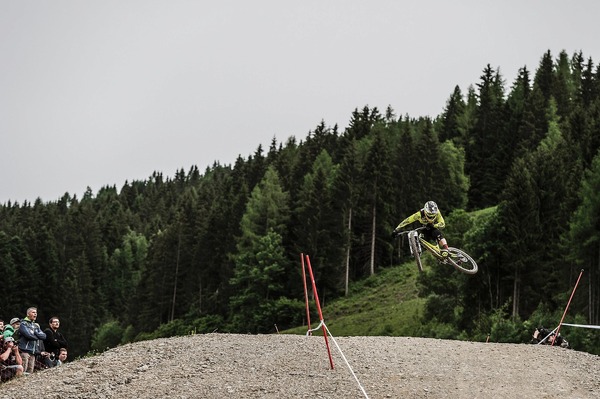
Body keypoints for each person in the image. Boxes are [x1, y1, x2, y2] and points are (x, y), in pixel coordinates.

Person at [17, 307, 46, 374]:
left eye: (36, 313)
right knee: (23, 372)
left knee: (30, 374)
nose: (35, 314)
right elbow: (28, 335)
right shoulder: (23, 324)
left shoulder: (36, 325)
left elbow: (44, 336)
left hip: (33, 353)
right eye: (33, 312)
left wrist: (35, 333)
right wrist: (38, 336)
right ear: (28, 314)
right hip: (24, 351)